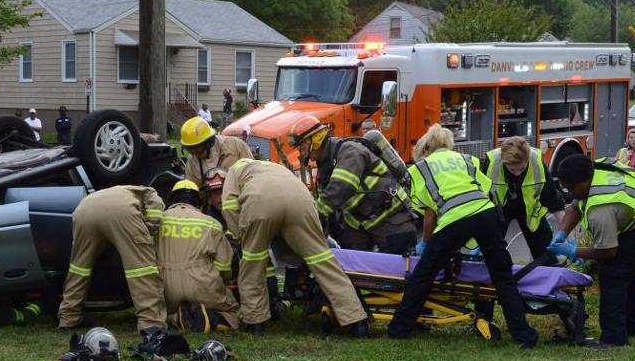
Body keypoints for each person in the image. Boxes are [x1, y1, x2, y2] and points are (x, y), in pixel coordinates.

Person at [387, 124, 538, 347]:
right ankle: (524, 336)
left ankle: (399, 329)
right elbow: (483, 190)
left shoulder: (419, 168)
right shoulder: (467, 159)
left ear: (425, 149)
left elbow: (430, 212)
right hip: (486, 214)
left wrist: (426, 243)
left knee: (423, 275)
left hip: (455, 219)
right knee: (503, 278)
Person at [220, 158, 369, 336]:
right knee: (323, 262)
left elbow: (228, 206)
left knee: (252, 266)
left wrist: (240, 235)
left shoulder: (234, 170)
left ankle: (255, 323)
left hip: (260, 203)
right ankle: (357, 321)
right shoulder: (276, 167)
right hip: (301, 200)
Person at [550, 154, 635, 347]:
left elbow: (607, 252)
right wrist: (561, 233)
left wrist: (573, 251)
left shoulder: (601, 209)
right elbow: (576, 207)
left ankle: (614, 339)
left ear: (583, 181)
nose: (569, 193)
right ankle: (631, 328)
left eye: (571, 188)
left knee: (614, 273)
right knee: (630, 271)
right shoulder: (595, 169)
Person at [289, 115, 417, 254]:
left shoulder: (350, 151)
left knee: (397, 271)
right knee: (354, 268)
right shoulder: (325, 167)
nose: (300, 152)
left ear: (315, 140)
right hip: (359, 225)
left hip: (392, 220)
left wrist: (310, 216)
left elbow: (341, 187)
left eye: (302, 146)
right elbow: (328, 211)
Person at [58, 185, 167, 332]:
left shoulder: (117, 191)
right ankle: (151, 323)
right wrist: (146, 233)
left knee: (79, 269)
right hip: (121, 212)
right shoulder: (149, 192)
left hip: (83, 211)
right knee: (142, 270)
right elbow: (155, 212)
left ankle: (68, 318)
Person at [159, 180, 240, 332]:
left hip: (166, 291)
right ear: (199, 201)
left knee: (160, 314)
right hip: (203, 288)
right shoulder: (212, 224)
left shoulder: (158, 222)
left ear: (171, 199)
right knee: (232, 313)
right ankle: (211, 317)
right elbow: (225, 265)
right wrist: (224, 283)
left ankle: (176, 318)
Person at [482, 136, 566, 260]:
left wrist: (566, 234)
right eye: (512, 169)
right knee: (492, 254)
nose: (517, 173)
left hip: (530, 212)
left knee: (546, 255)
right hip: (499, 210)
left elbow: (552, 199)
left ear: (528, 159)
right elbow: (481, 196)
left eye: (522, 168)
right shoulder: (492, 163)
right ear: (503, 161)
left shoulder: (536, 162)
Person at [180, 117, 251, 188]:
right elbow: (192, 189)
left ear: (209, 142)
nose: (197, 155)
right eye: (191, 151)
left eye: (199, 150)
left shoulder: (236, 146)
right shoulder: (192, 161)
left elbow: (252, 175)